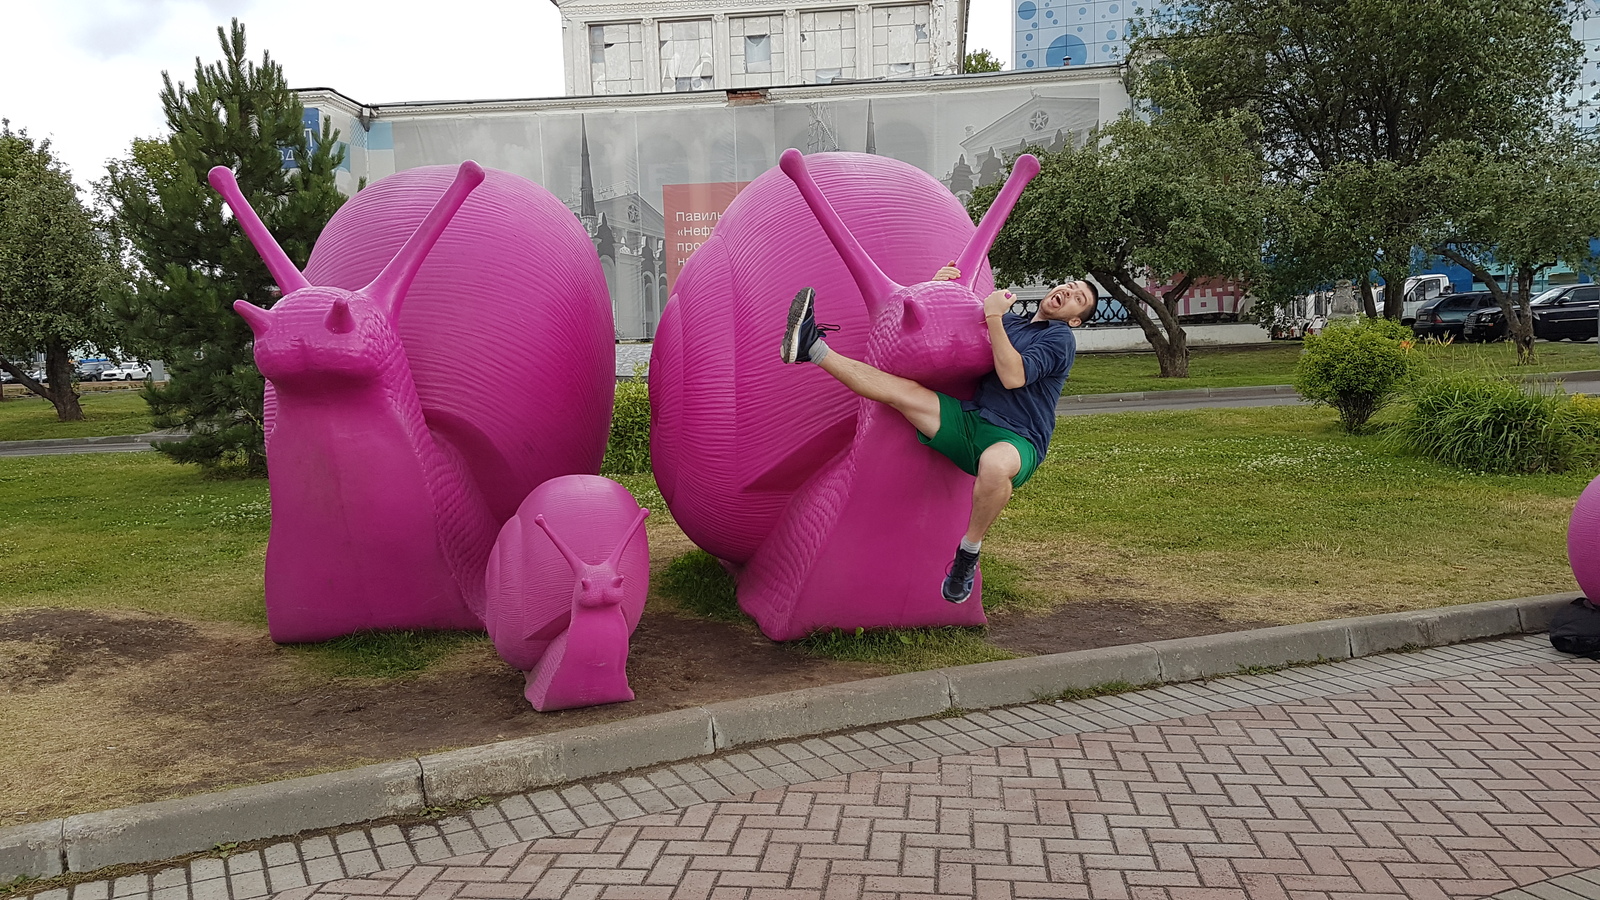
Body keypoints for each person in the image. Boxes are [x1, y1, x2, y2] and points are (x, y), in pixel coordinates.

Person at [780, 264, 1097, 603]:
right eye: (1070, 285)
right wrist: (935, 287)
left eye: (1078, 298)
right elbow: (948, 328)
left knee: (993, 464)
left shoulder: (1059, 338)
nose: (1068, 291)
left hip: (1018, 439)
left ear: (1076, 319)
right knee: (903, 392)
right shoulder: (1012, 321)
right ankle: (812, 348)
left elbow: (1013, 376)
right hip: (972, 421)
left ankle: (968, 553)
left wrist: (992, 317)